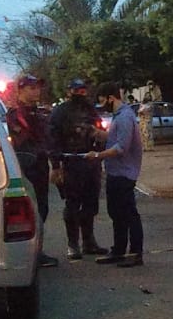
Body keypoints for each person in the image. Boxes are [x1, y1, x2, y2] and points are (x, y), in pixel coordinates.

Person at [49, 78, 109, 260]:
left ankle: (89, 242)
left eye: (83, 90)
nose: (81, 94)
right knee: (72, 204)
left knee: (91, 203)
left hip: (90, 162)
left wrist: (99, 154)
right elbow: (53, 139)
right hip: (70, 161)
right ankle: (72, 244)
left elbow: (99, 131)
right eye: (77, 91)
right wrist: (56, 165)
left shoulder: (91, 110)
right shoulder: (60, 112)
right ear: (69, 92)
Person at [87, 82, 144, 268]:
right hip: (115, 172)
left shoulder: (125, 117)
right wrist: (100, 135)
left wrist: (97, 155)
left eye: (103, 101)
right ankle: (118, 250)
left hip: (124, 174)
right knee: (116, 214)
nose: (103, 105)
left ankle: (135, 253)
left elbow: (121, 147)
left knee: (128, 214)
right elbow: (115, 139)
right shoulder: (118, 117)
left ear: (111, 98)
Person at [8, 74, 59, 268]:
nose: (36, 91)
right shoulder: (16, 113)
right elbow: (30, 138)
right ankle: (31, 254)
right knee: (31, 211)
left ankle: (37, 251)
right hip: (27, 167)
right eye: (31, 88)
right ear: (20, 90)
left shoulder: (39, 112)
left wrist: (55, 164)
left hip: (40, 166)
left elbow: (48, 139)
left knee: (42, 209)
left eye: (37, 87)